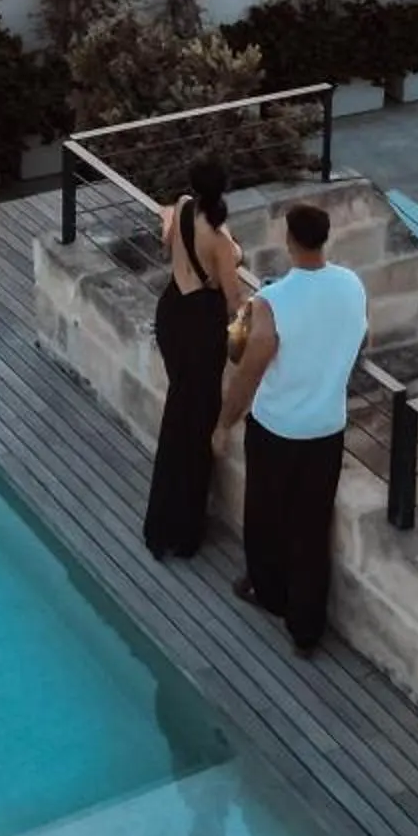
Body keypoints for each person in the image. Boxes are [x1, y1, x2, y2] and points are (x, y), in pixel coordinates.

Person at [215, 198, 366, 656]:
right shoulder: (351, 284)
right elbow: (362, 337)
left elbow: (249, 367)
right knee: (311, 525)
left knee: (264, 513)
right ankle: (307, 628)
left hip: (278, 427)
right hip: (326, 427)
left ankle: (269, 591)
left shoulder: (272, 301)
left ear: (289, 241)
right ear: (325, 239)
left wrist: (225, 423)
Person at [144, 157, 242, 559]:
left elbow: (168, 239)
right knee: (197, 424)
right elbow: (232, 298)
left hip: (172, 313)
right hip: (201, 324)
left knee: (178, 412)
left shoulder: (183, 207)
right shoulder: (218, 238)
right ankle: (184, 530)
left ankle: (162, 523)